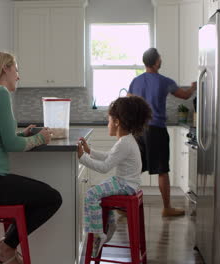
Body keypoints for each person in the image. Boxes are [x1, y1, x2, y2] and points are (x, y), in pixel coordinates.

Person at [0, 51, 62, 264]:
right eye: (16, 69)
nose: (18, 76)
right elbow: (11, 145)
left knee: (36, 197)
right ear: (5, 69)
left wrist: (23, 135)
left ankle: (6, 246)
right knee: (52, 198)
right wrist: (40, 139)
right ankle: (6, 247)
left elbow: (1, 137)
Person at [77, 96, 152, 257]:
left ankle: (98, 234)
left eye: (109, 120)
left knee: (91, 194)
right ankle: (109, 225)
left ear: (117, 122)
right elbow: (109, 156)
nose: (107, 124)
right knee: (97, 192)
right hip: (127, 183)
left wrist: (82, 157)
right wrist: (89, 152)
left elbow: (104, 167)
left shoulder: (124, 143)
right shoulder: (126, 140)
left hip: (125, 185)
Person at [127, 47, 196, 217]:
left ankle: (124, 205)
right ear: (157, 62)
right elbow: (185, 96)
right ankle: (167, 207)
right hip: (156, 129)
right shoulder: (165, 81)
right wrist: (194, 87)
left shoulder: (135, 81)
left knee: (135, 168)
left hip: (138, 131)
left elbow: (128, 103)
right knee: (162, 170)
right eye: (160, 58)